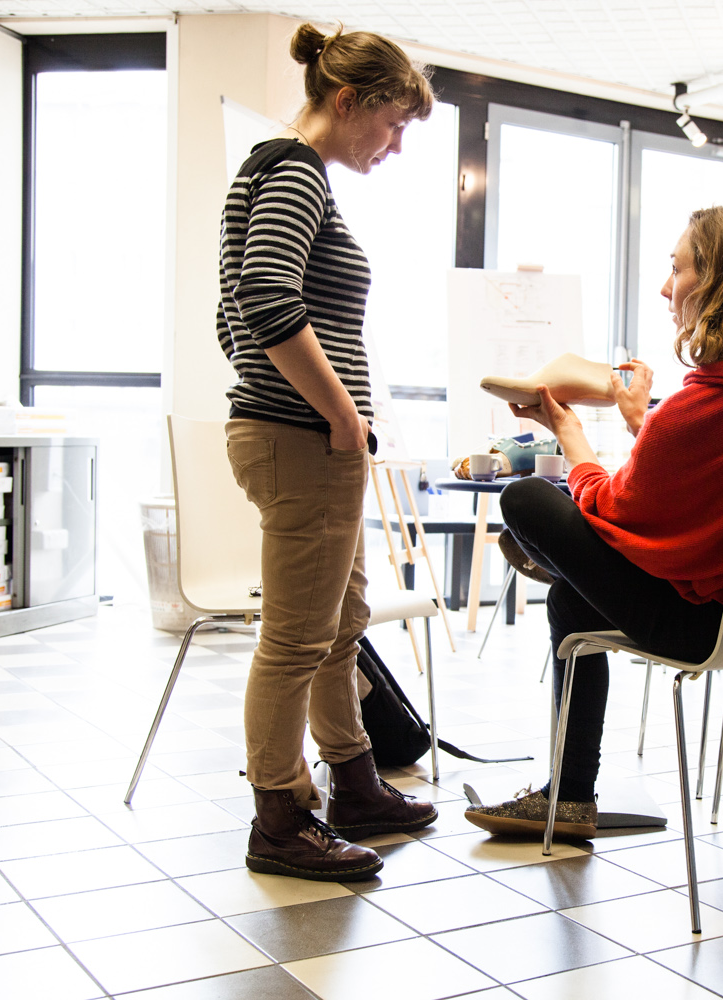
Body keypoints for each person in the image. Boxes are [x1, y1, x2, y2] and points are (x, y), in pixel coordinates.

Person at [465, 203, 723, 839]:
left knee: (527, 502)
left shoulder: (703, 403)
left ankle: (567, 792)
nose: (666, 288)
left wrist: (569, 433)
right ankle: (569, 797)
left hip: (705, 624)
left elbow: (616, 506)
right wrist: (643, 422)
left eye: (677, 270)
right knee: (573, 601)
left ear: (722, 280)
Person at [218, 22, 438, 882]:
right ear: (348, 101)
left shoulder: (281, 172)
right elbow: (265, 297)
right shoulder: (292, 169)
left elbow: (232, 313)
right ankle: (279, 817)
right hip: (305, 439)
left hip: (301, 435)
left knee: (338, 625)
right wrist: (342, 416)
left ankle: (353, 782)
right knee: (297, 636)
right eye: (392, 124)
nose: (394, 145)